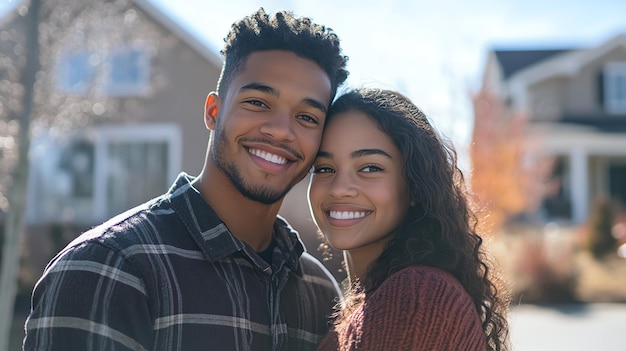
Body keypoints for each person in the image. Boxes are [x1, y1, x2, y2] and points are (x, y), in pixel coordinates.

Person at [24, 8, 349, 351]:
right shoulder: (108, 266)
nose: (281, 131)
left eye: (307, 117)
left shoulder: (320, 293)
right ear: (213, 112)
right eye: (257, 102)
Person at [308, 88, 510, 351]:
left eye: (370, 168)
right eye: (325, 168)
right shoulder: (371, 300)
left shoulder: (416, 298)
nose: (339, 188)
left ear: (415, 186)